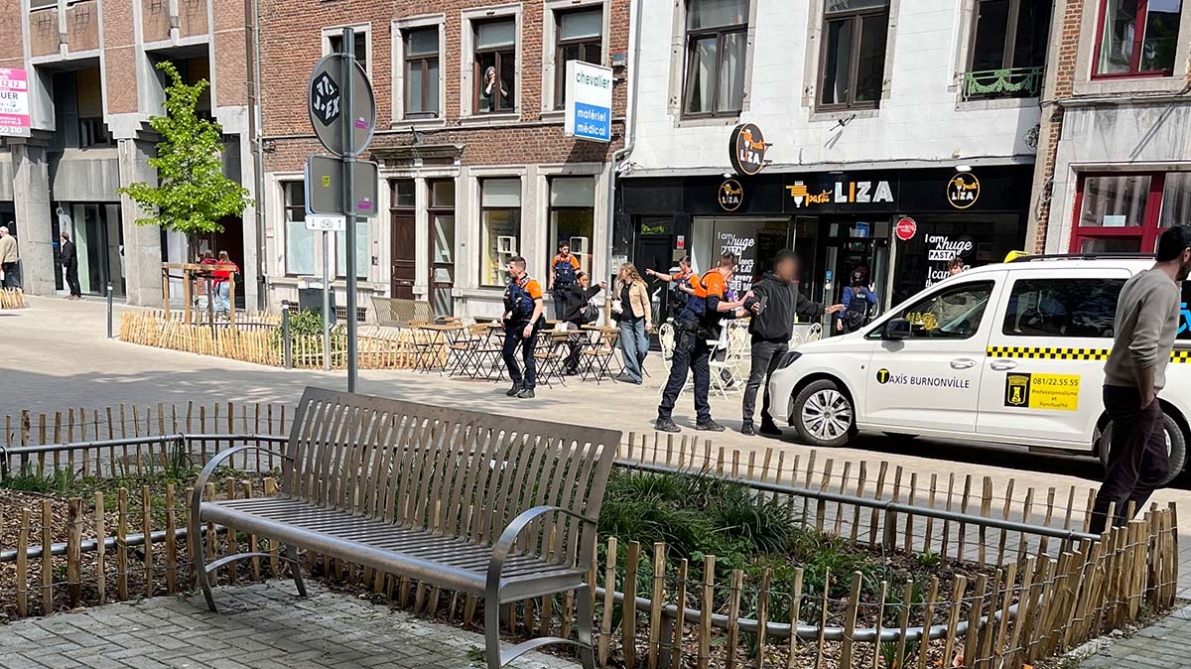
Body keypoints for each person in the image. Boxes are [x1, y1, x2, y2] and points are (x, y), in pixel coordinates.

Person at [1089, 226, 1191, 534]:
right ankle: (1097, 541)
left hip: (1123, 388)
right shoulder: (1164, 288)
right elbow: (1143, 346)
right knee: (1124, 473)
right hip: (1134, 392)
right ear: (1186, 254)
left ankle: (1114, 529)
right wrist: (1148, 398)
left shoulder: (1138, 280)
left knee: (1155, 467)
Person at [741, 250, 845, 436]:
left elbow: (806, 306)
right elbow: (752, 300)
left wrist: (827, 309)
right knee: (755, 380)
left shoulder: (792, 289)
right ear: (779, 267)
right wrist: (753, 305)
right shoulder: (763, 286)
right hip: (763, 342)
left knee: (772, 384)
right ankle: (747, 421)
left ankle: (767, 419)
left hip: (783, 343)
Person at [655, 252, 751, 433]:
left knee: (703, 377)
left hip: (699, 336)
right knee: (679, 376)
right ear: (732, 269)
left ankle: (703, 418)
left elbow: (722, 312)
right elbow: (715, 305)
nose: (732, 278)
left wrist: (747, 312)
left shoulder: (719, 283)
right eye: (733, 274)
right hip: (688, 333)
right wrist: (740, 301)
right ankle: (664, 416)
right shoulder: (714, 278)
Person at [501, 256, 545, 399]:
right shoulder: (513, 284)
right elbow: (511, 301)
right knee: (507, 352)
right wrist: (505, 313)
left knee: (528, 356)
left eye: (511, 267)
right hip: (515, 322)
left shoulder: (532, 284)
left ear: (520, 269)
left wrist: (531, 324)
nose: (509, 270)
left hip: (528, 323)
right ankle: (517, 381)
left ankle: (529, 387)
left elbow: (539, 305)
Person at [559, 271, 606, 375]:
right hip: (572, 321)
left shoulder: (581, 290)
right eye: (583, 280)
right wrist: (597, 287)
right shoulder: (575, 288)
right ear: (578, 280)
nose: (586, 282)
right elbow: (585, 295)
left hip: (580, 321)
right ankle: (569, 363)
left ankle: (571, 365)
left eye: (587, 280)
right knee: (577, 343)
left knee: (579, 343)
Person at [614, 263, 652, 385]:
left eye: (622, 271)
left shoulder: (639, 285)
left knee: (642, 348)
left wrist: (648, 320)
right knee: (628, 349)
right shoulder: (620, 285)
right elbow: (616, 299)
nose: (621, 273)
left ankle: (637, 365)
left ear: (629, 272)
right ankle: (636, 376)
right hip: (624, 320)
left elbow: (646, 303)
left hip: (638, 319)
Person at [837, 266, 878, 334]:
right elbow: (873, 300)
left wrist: (839, 318)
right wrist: (872, 292)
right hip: (859, 319)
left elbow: (845, 305)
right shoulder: (864, 290)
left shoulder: (848, 290)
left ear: (851, 279)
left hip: (848, 319)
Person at [550, 242, 581, 320]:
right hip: (558, 289)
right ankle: (559, 329)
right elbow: (553, 271)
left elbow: (577, 271)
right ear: (560, 249)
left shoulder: (572, 259)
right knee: (558, 312)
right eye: (564, 249)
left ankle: (568, 329)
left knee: (569, 312)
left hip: (568, 289)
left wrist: (580, 283)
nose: (566, 251)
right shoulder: (556, 259)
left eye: (567, 249)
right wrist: (551, 283)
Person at [212, 251, 239, 318]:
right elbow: (237, 270)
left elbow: (216, 276)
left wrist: (214, 285)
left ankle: (231, 312)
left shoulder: (219, 265)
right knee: (228, 299)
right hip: (232, 282)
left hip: (224, 283)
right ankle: (226, 314)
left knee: (223, 299)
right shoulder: (231, 263)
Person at [60, 231, 81, 300]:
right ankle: (73, 293)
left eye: (61, 237)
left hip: (71, 264)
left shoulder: (68, 245)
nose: (60, 238)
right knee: (68, 278)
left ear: (63, 238)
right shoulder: (67, 245)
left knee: (73, 278)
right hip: (71, 264)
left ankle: (77, 294)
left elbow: (67, 255)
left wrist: (66, 263)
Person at [0, 225, 20, 290]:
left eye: (0, 232)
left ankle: (5, 288)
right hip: (12, 260)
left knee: (4, 275)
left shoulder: (3, 240)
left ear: (2, 232)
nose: (0, 234)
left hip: (5, 260)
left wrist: (0, 262)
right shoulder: (13, 239)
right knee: (10, 273)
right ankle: (15, 285)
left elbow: (2, 252)